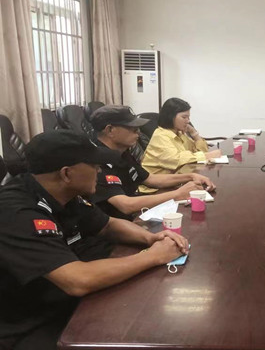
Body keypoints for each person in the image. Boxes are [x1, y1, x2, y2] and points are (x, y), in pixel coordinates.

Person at [0, 131, 189, 349]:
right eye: (93, 165)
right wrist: (153, 256)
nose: (99, 170)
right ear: (66, 173)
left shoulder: (63, 193)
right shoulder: (16, 212)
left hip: (63, 298)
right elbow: (77, 280)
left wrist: (150, 237)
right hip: (30, 322)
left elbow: (108, 224)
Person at [89, 105, 215, 220]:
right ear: (110, 130)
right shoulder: (96, 161)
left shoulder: (122, 152)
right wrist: (177, 194)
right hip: (114, 226)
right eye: (132, 128)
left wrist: (191, 176)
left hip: (134, 215)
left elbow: (150, 179)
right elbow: (126, 205)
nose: (138, 132)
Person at [142, 98, 221, 177]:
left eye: (188, 117)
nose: (188, 121)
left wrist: (194, 133)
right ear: (170, 117)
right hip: (156, 182)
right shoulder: (160, 136)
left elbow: (200, 151)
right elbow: (176, 160)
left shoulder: (179, 133)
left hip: (176, 177)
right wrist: (207, 156)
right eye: (184, 117)